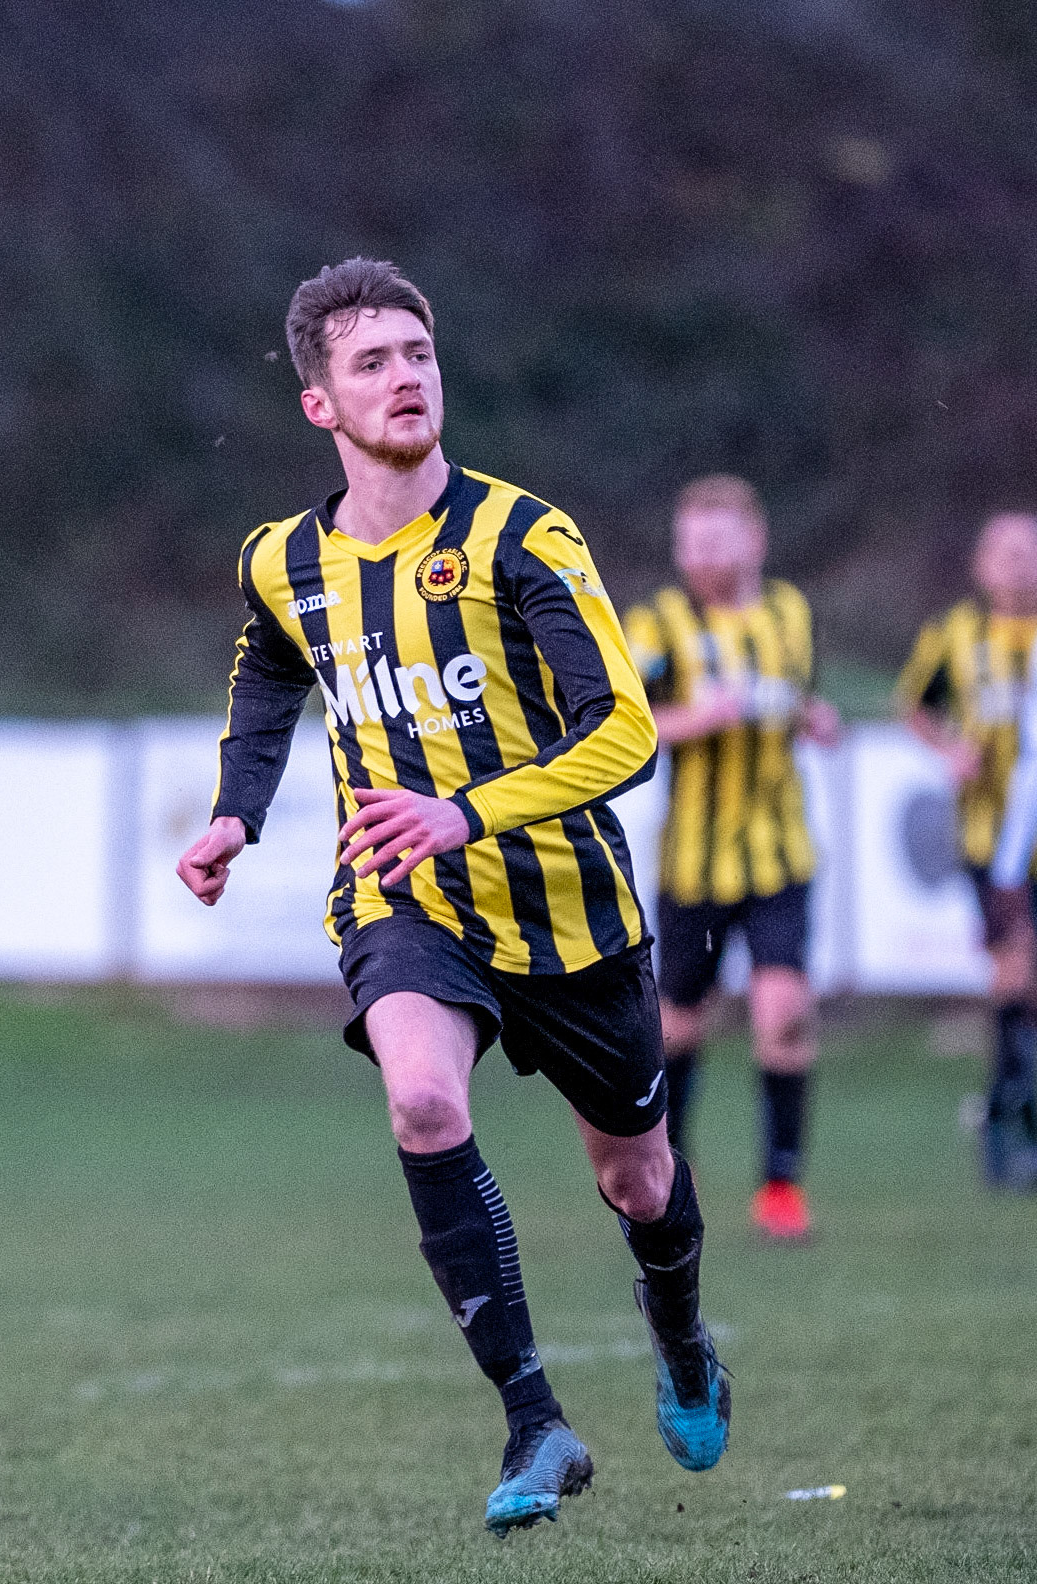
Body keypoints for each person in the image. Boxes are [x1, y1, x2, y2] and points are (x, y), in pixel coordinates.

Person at [175, 258, 730, 1536]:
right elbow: (270, 678)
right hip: (403, 901)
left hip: (570, 913)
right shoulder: (283, 560)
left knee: (639, 1182)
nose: (406, 377)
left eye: (418, 353)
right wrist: (234, 815)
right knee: (422, 1100)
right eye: (372, 362)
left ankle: (686, 1339)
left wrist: (469, 809)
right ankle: (535, 1420)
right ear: (322, 403)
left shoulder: (520, 536)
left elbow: (626, 734)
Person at [625, 477, 839, 1241]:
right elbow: (626, 723)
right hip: (695, 865)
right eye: (690, 542)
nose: (701, 556)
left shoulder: (790, 613)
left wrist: (818, 719)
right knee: (680, 1025)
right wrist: (698, 715)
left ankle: (781, 1185)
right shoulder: (657, 622)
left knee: (783, 1013)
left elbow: (802, 700)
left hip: (780, 857)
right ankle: (668, 1174)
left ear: (755, 541)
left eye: (716, 540)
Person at [898, 512, 1037, 1191]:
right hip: (994, 841)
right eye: (1004, 553)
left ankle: (1008, 1117)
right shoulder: (958, 634)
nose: (1017, 564)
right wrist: (952, 752)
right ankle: (1009, 1128)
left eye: (1027, 552)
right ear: (982, 567)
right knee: (1014, 974)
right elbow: (915, 708)